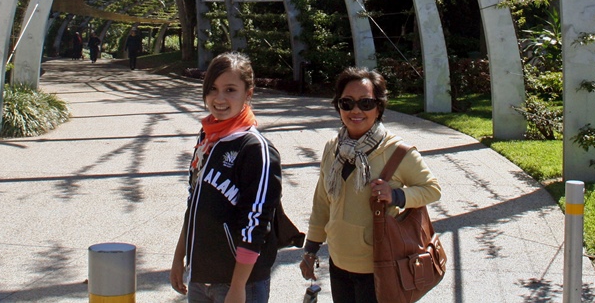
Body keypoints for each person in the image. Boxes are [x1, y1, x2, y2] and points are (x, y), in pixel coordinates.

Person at [299, 67, 442, 303]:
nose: (356, 110)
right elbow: (322, 202)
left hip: (378, 265)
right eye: (347, 103)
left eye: (365, 103)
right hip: (339, 261)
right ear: (338, 106)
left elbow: (432, 189)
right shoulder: (332, 147)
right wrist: (311, 249)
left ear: (379, 107)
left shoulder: (397, 151)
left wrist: (396, 196)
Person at [170, 52, 281, 303]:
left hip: (239, 283)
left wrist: (238, 286)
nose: (219, 99)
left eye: (230, 89)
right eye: (212, 89)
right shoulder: (207, 138)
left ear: (248, 94)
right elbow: (194, 204)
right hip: (201, 277)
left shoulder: (255, 148)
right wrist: (180, 257)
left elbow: (256, 221)